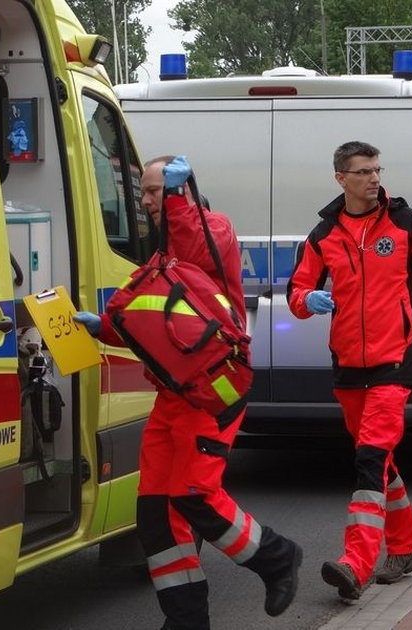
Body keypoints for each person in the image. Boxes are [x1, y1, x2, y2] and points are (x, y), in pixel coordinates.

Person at [74, 156, 302, 630]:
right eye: (147, 194)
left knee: (196, 496)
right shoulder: (162, 259)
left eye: (156, 190)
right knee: (155, 513)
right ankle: (186, 620)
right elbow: (156, 328)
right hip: (175, 397)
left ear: (183, 192)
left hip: (211, 395)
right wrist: (106, 330)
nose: (148, 201)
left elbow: (197, 240)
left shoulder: (211, 231)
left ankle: (278, 558)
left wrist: (180, 200)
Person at [287, 141, 412, 599]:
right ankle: (403, 547)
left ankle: (356, 563)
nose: (374, 178)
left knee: (368, 460)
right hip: (347, 365)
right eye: (363, 172)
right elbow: (297, 293)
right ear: (341, 178)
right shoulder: (323, 235)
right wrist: (309, 300)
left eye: (377, 170)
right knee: (379, 462)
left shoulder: (403, 223)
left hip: (395, 361)